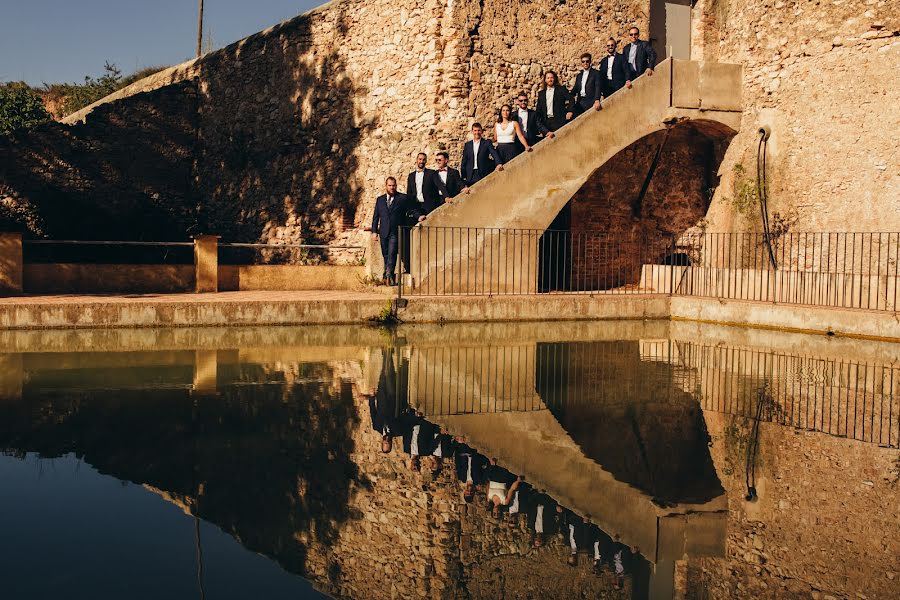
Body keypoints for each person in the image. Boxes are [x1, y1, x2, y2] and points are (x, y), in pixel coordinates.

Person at [371, 177, 423, 285]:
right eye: (389, 185)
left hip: (395, 232)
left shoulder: (402, 198)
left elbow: (411, 209)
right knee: (385, 254)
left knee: (392, 253)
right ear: (386, 186)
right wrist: (374, 231)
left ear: (396, 185)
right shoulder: (380, 200)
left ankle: (389, 276)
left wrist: (418, 217)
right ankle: (387, 276)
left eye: (393, 185)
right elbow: (376, 217)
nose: (392, 187)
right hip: (384, 232)